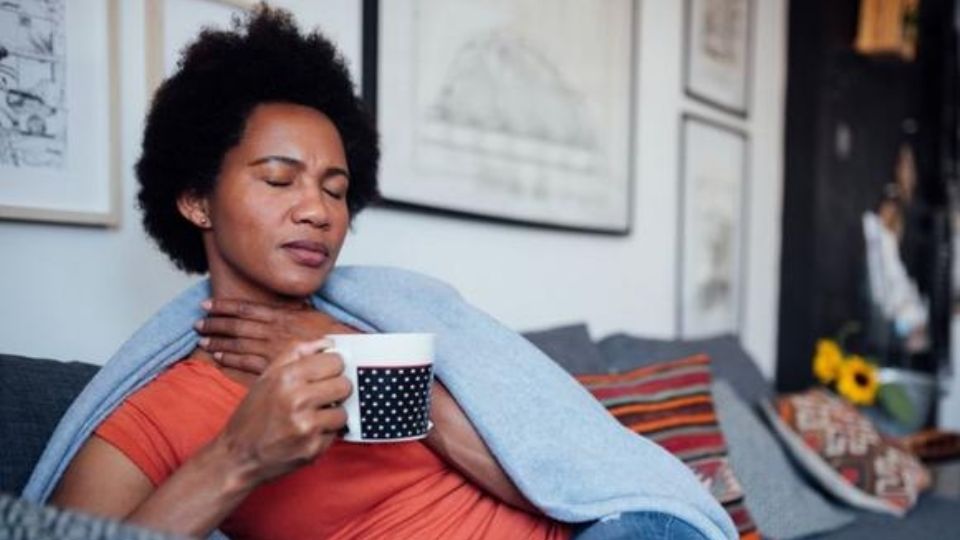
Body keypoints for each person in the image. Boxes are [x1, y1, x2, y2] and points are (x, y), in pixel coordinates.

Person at [47, 7, 721, 540]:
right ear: (197, 200)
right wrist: (236, 458)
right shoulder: (158, 409)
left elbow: (557, 483)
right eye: (279, 179)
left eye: (336, 189)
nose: (317, 210)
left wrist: (363, 363)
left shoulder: (387, 321)